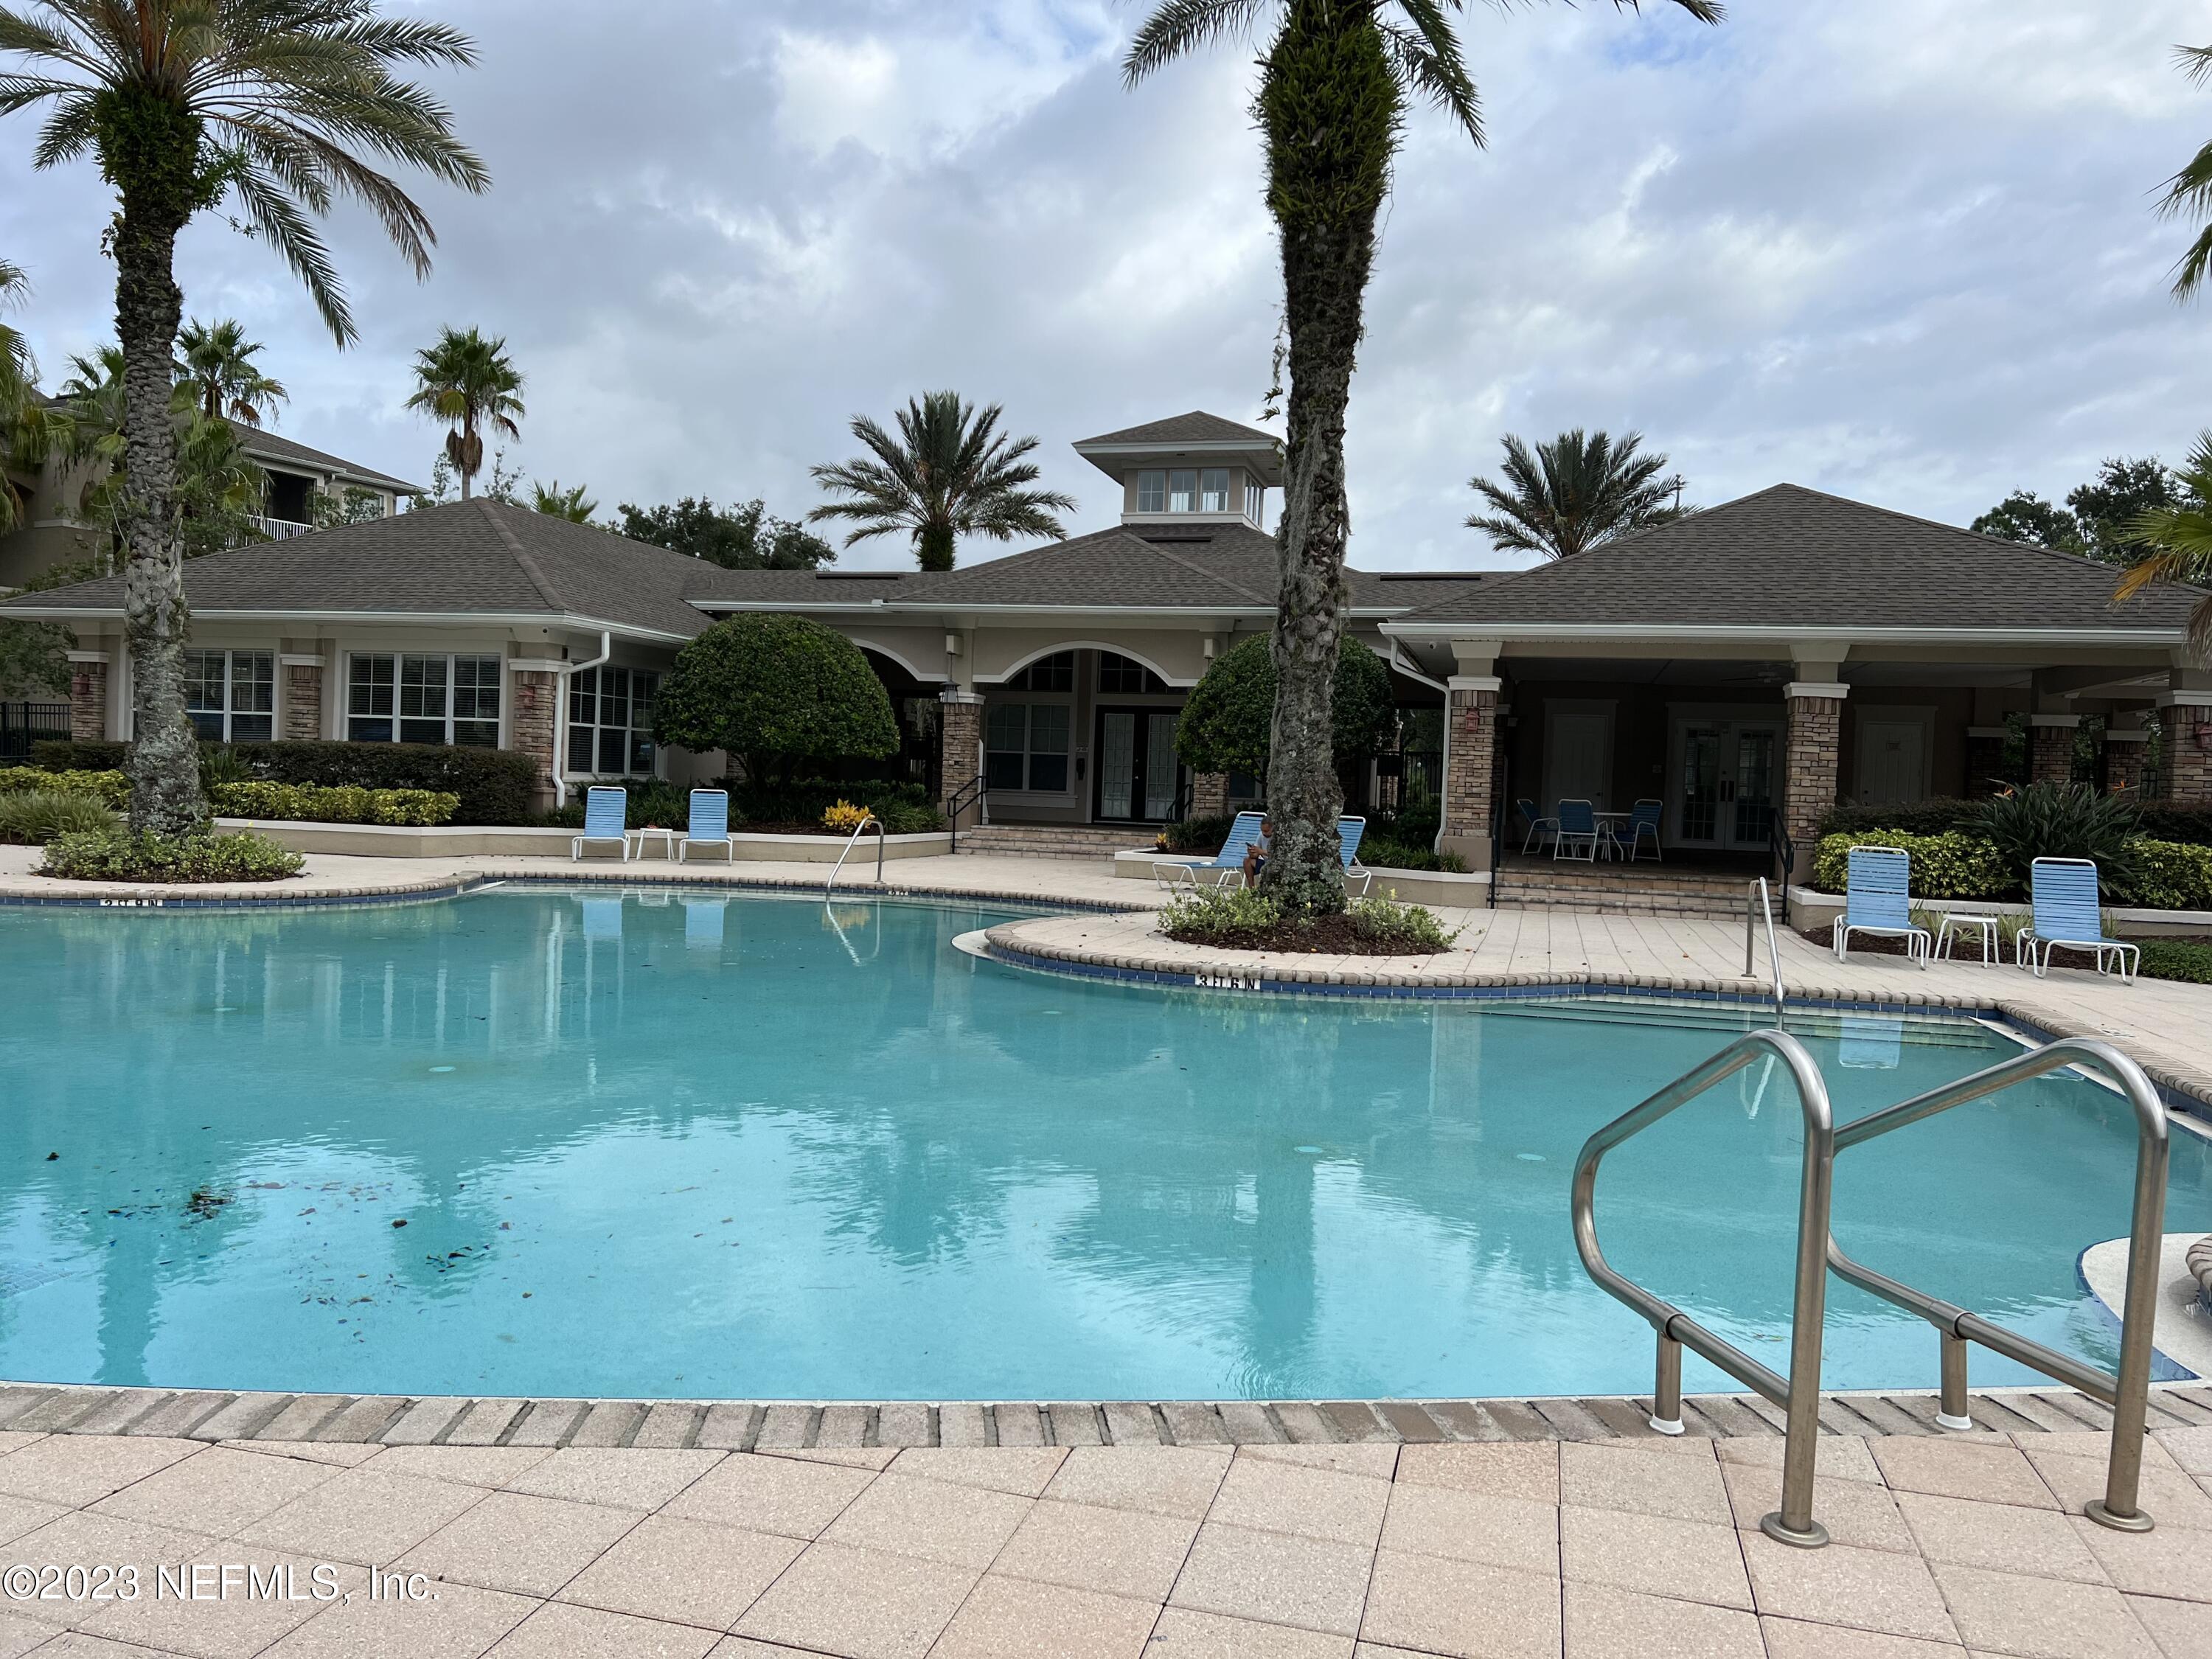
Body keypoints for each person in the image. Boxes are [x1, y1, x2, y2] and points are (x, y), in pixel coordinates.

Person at [1242, 815, 1272, 884]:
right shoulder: (1261, 835)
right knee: (1247, 861)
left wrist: (1261, 852)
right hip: (1265, 862)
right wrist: (1251, 852)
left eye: (1266, 831)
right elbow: (1255, 855)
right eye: (1262, 830)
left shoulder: (1278, 836)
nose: (1264, 833)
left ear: (1272, 828)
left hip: (1275, 863)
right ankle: (1252, 888)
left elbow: (1278, 855)